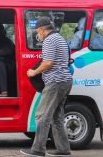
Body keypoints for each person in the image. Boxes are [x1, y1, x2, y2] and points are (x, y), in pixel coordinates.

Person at [20, 16, 72, 157]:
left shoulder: (49, 40)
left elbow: (48, 63)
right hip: (65, 81)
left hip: (55, 83)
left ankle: (38, 150)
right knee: (57, 117)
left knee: (42, 116)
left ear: (42, 30)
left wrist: (33, 72)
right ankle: (63, 150)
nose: (38, 34)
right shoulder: (60, 38)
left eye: (38, 30)